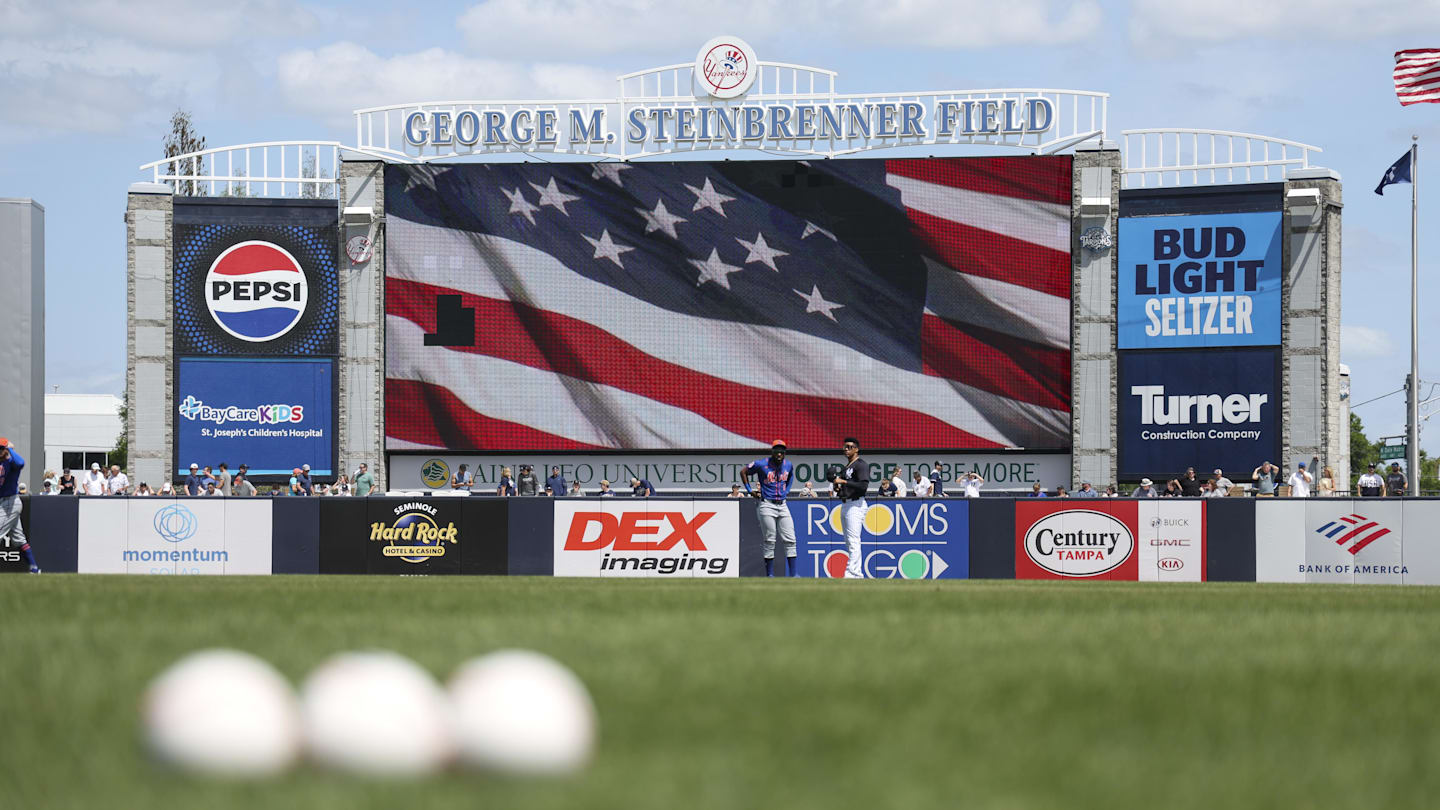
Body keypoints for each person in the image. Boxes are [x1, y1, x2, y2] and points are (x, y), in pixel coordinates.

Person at [741, 440, 797, 577]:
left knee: (790, 539)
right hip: (767, 504)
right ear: (772, 451)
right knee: (770, 539)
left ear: (784, 452)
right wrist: (749, 490)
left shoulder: (788, 464)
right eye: (776, 450)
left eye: (782, 450)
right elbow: (744, 472)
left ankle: (794, 575)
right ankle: (770, 575)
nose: (779, 453)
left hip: (782, 504)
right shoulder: (762, 464)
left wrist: (787, 490)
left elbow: (790, 476)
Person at [830, 437, 869, 579]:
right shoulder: (847, 467)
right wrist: (838, 487)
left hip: (856, 505)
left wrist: (844, 481)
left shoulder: (861, 465)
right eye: (845, 447)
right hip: (846, 504)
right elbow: (845, 487)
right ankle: (855, 573)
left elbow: (863, 486)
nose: (846, 449)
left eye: (849, 447)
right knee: (849, 541)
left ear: (856, 449)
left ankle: (853, 574)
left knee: (853, 540)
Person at [0, 439, 39, 572]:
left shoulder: (11, 462)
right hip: (4, 503)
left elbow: (21, 462)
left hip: (10, 502)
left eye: (1, 448)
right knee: (19, 539)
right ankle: (34, 569)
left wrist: (10, 449)